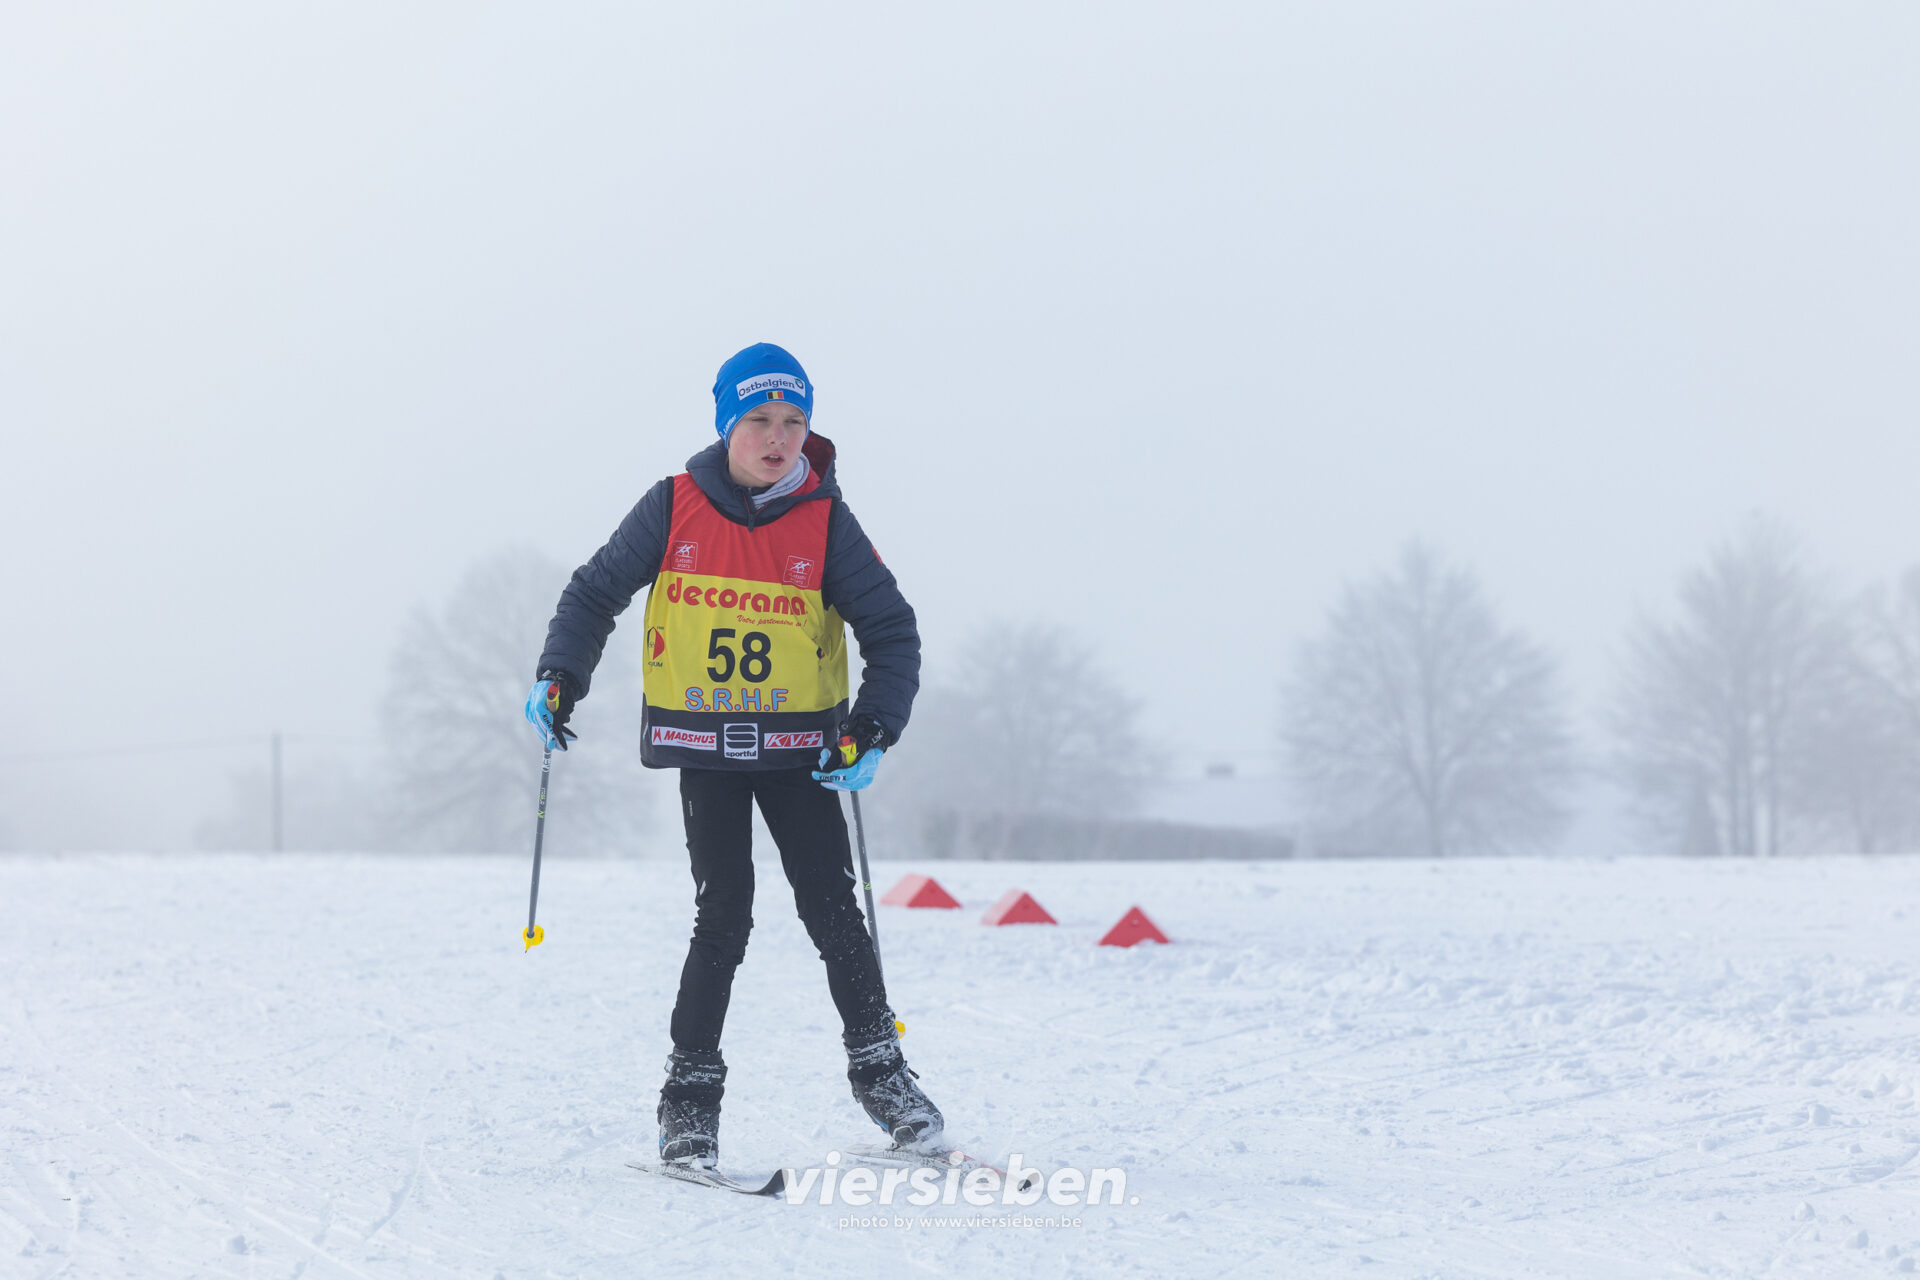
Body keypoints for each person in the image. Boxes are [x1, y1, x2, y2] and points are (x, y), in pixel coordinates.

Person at [523, 342, 941, 1169]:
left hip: (799, 752)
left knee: (832, 909)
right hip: (705, 746)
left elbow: (892, 631)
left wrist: (872, 728)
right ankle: (688, 1103)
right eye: (759, 419)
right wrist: (560, 674)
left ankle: (882, 1076)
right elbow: (595, 591)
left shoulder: (826, 520)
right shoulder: (673, 504)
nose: (778, 437)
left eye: (794, 420)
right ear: (726, 425)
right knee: (724, 914)